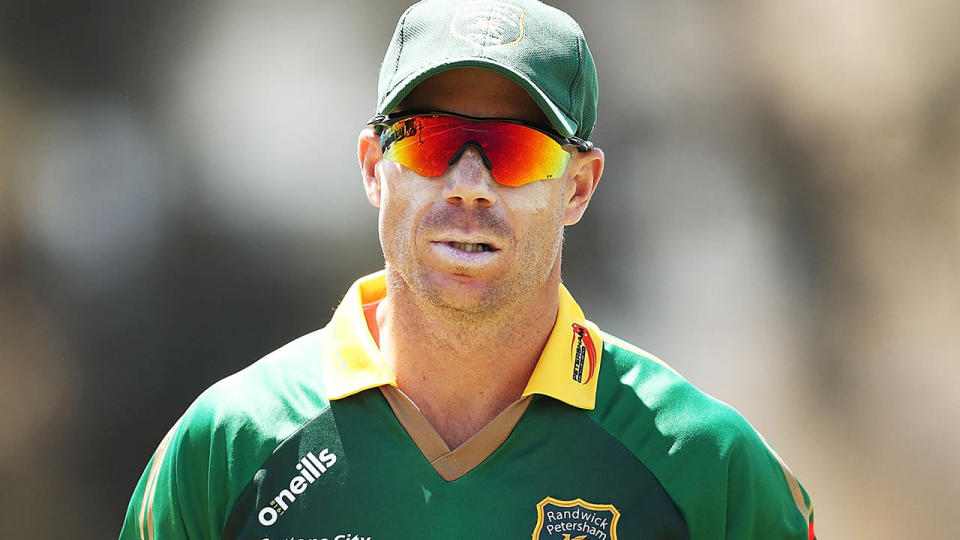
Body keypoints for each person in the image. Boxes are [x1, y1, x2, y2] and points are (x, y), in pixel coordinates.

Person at [119, 1, 815, 538]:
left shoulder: (706, 466)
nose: (469, 184)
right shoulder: (230, 444)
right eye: (432, 141)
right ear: (372, 167)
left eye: (515, 151)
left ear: (578, 187)